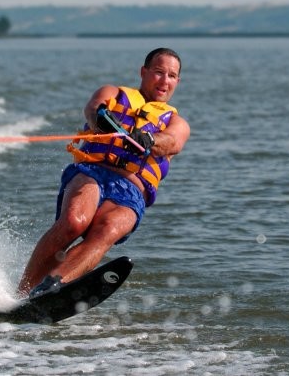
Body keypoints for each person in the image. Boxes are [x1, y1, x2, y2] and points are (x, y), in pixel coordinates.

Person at [18, 47, 191, 297]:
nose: (165, 80)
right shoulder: (113, 93)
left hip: (132, 191)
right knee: (73, 223)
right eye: (158, 72)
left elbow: (173, 141)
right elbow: (93, 108)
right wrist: (101, 118)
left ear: (177, 81)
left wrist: (150, 140)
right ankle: (21, 293)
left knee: (106, 231)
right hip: (93, 172)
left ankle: (50, 287)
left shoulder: (177, 123)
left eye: (172, 76)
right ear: (143, 72)